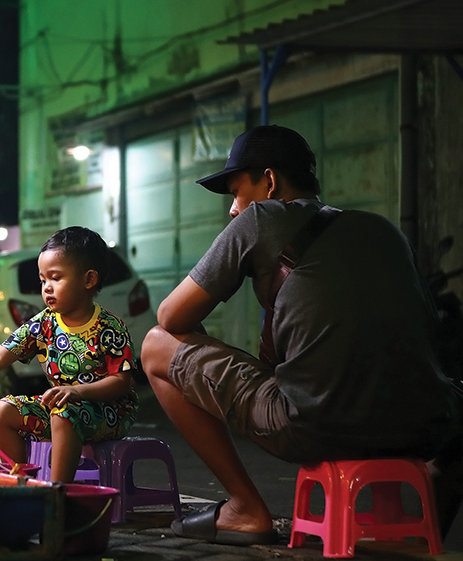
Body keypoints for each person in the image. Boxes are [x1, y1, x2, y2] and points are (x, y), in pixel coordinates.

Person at [139, 124, 461, 546]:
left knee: (156, 345)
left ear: (269, 181)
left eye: (236, 192)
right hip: (424, 425)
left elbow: (170, 316)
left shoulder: (260, 219)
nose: (233, 210)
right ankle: (423, 522)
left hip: (314, 425)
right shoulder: (385, 230)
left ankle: (245, 508)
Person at [0, 226, 139, 482]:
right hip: (62, 411)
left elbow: (121, 382)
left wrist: (77, 392)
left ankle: (55, 493)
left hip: (110, 413)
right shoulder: (44, 324)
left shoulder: (109, 327)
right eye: (43, 280)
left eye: (56, 278)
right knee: (3, 411)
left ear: (89, 280)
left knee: (64, 413)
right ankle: (21, 484)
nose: (47, 288)